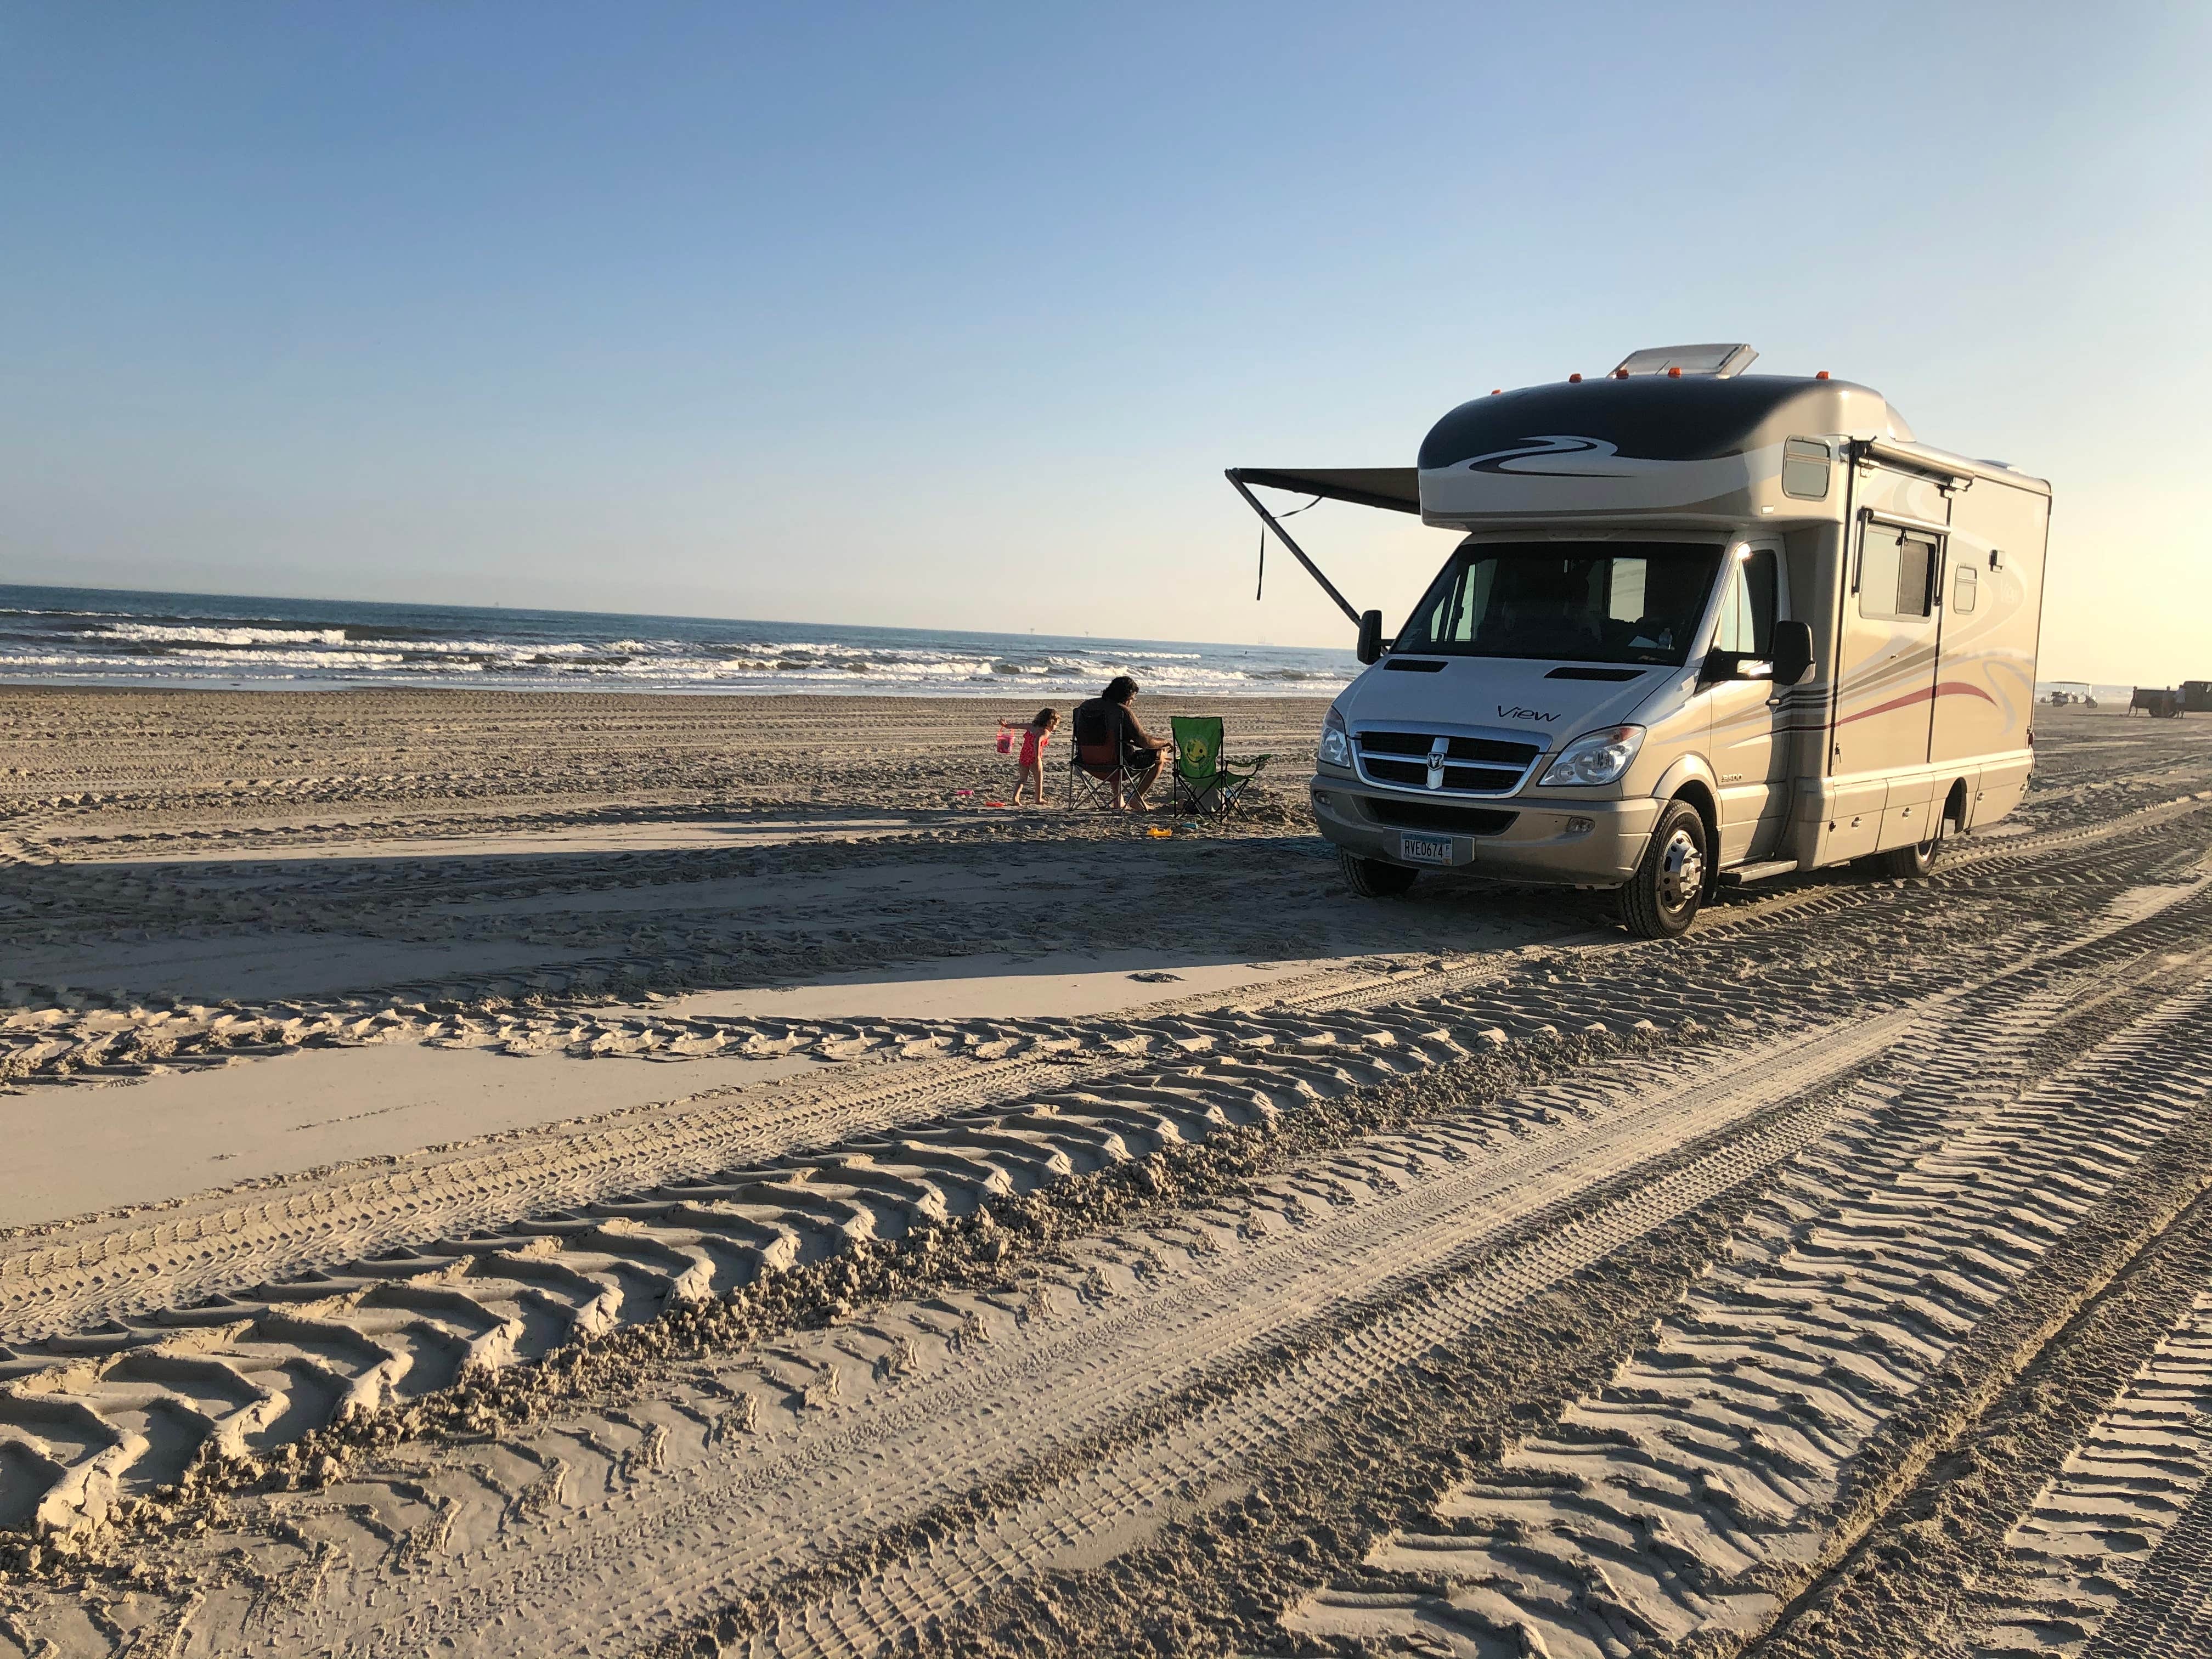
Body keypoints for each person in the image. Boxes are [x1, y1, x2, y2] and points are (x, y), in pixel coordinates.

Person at [1069, 675, 1171, 809]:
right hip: (1116, 766)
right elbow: (1145, 742)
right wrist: (1165, 743)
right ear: (1126, 697)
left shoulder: (1085, 707)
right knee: (1158, 755)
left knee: (1114, 749)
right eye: (1132, 699)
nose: (1132, 703)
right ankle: (1137, 798)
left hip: (1087, 762)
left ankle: (1118, 800)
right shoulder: (1122, 711)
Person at [998, 707, 1059, 806]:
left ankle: (1015, 798)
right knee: (1039, 779)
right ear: (1051, 722)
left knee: (1022, 779)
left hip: (1024, 755)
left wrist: (1006, 726)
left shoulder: (1032, 726)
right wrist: (1037, 757)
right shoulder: (1045, 732)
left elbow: (1018, 726)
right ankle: (1038, 799)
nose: (1056, 728)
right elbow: (1037, 741)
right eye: (1056, 725)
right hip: (1035, 757)